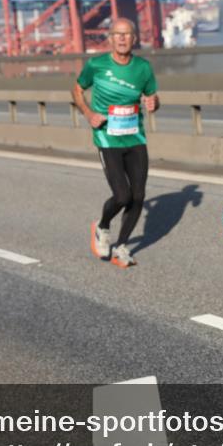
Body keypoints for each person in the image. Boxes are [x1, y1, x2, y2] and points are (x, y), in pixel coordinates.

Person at [72, 18, 159, 268]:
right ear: (110, 38)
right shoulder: (96, 64)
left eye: (127, 34)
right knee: (122, 195)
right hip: (107, 137)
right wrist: (88, 114)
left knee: (139, 195)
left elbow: (152, 95)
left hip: (135, 136)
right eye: (117, 34)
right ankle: (102, 227)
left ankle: (121, 246)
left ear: (134, 38)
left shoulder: (143, 67)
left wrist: (155, 103)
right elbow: (77, 89)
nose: (122, 38)